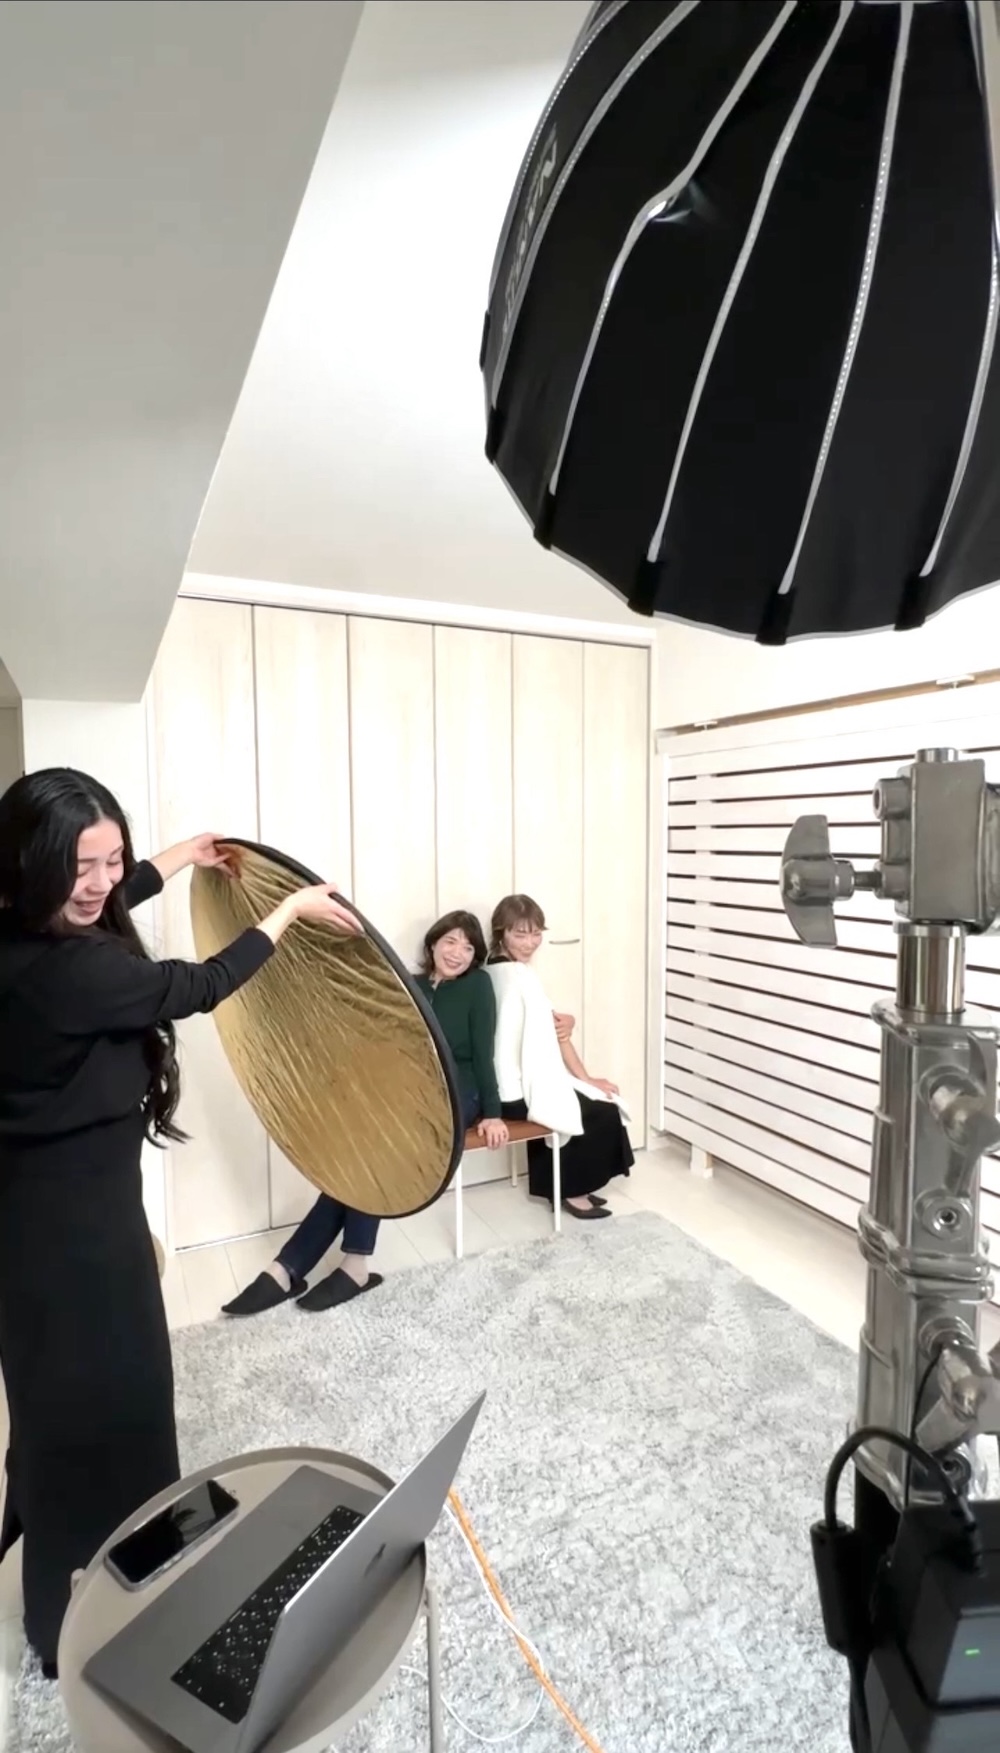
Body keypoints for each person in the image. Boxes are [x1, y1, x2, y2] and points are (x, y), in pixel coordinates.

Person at [0, 767, 360, 1677]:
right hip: (73, 1229)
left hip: (45, 1214)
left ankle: (103, 1570)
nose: (100, 881)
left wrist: (180, 856)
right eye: (80, 864)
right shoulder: (73, 972)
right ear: (32, 861)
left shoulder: (24, 929)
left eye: (112, 857)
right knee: (105, 1407)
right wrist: (289, 911)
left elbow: (111, 896)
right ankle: (81, 1613)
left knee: (68, 1405)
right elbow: (198, 983)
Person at [223, 909, 508, 1318]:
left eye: (468, 947)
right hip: (408, 1094)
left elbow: (483, 1053)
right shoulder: (409, 985)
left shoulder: (478, 986)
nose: (458, 953)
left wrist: (493, 1113)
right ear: (433, 944)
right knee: (363, 1150)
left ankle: (308, 1266)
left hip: (460, 1092)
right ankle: (300, 1269)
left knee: (376, 1150)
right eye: (450, 941)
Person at [487, 893, 633, 1218]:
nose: (530, 943)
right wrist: (585, 1078)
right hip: (514, 1094)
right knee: (598, 1111)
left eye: (536, 933)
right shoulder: (517, 975)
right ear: (502, 933)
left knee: (593, 1100)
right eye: (520, 934)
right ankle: (571, 1191)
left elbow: (552, 1026)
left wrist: (585, 1077)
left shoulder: (495, 970)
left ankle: (560, 1187)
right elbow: (556, 1032)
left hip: (505, 1087)